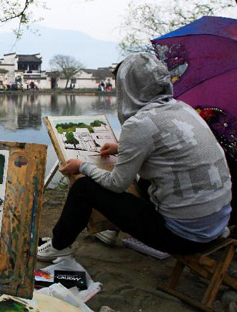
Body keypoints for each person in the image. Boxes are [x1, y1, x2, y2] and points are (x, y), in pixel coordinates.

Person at [37, 53, 232, 261]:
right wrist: (122, 147)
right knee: (143, 179)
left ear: (128, 86)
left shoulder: (140, 123)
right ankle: (109, 227)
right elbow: (167, 146)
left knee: (84, 188)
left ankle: (59, 245)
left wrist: (81, 165)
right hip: (217, 223)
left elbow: (116, 184)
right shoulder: (182, 108)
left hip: (183, 237)